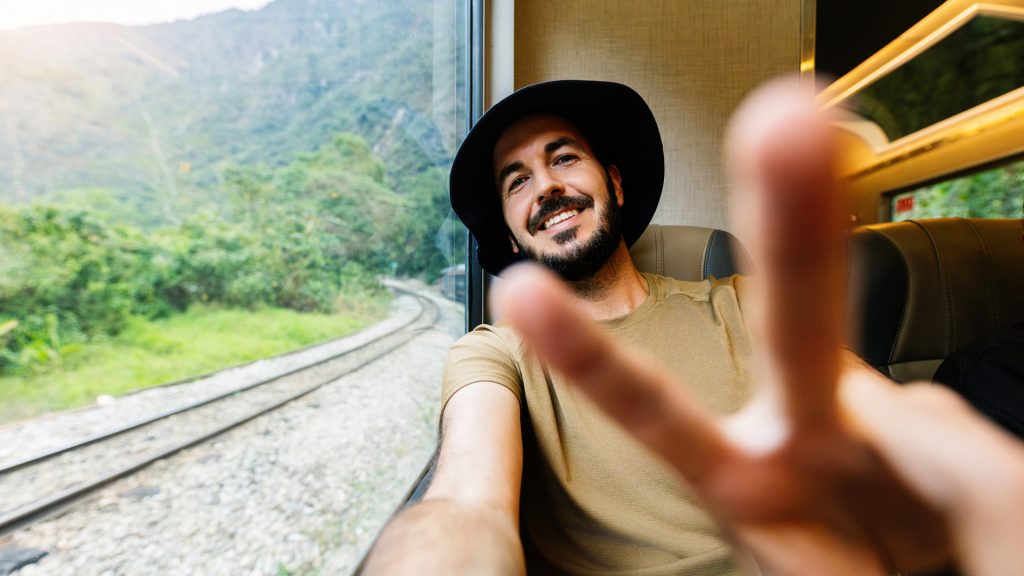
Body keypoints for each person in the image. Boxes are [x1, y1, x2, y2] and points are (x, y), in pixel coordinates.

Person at [363, 78, 1024, 575]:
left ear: (615, 184)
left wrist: (951, 478)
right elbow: (464, 503)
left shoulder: (745, 302)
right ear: (510, 236)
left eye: (563, 158)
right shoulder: (492, 355)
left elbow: (875, 411)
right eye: (517, 181)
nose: (545, 189)